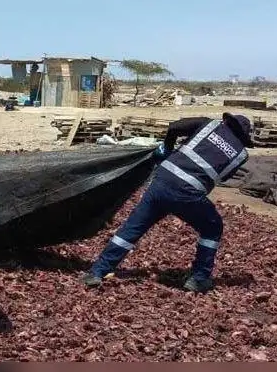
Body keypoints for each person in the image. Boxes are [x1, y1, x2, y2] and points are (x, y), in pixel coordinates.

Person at [81, 112, 254, 293]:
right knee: (213, 227)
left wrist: (168, 148)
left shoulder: (208, 124)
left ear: (226, 122)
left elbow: (174, 127)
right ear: (243, 137)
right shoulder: (241, 154)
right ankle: (199, 278)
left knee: (132, 228)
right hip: (188, 194)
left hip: (162, 180)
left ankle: (98, 271)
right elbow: (224, 176)